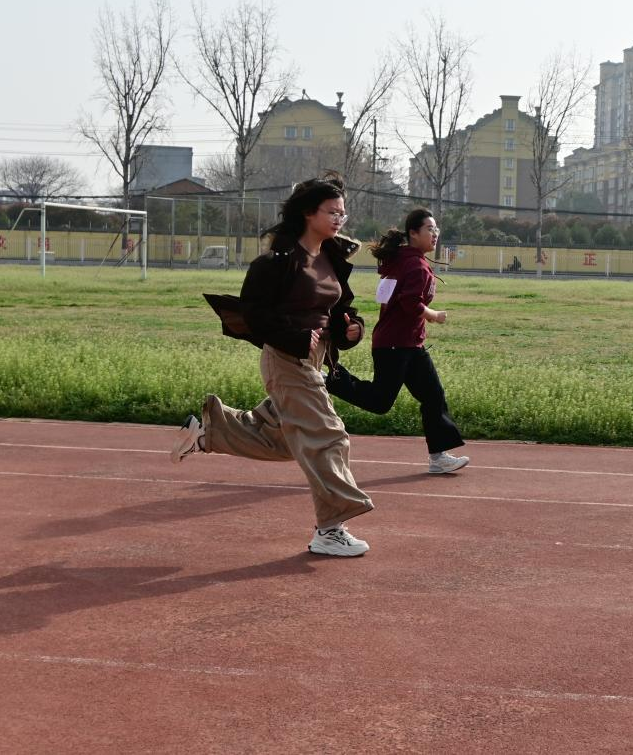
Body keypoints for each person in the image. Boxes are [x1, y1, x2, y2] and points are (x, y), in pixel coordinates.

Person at [170, 176, 374, 557]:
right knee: (329, 437)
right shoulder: (278, 261)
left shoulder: (331, 257)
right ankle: (330, 529)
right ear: (308, 213)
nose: (339, 219)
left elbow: (339, 309)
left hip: (314, 359)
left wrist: (352, 329)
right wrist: (295, 338)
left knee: (282, 440)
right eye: (332, 212)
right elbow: (255, 314)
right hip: (286, 360)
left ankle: (209, 432)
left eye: (343, 213)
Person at [326, 208, 469, 474]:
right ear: (413, 233)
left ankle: (438, 457)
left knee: (433, 395)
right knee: (380, 402)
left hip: (409, 344)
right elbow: (410, 303)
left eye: (436, 229)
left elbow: (395, 299)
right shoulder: (414, 265)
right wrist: (434, 315)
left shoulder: (402, 260)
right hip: (395, 344)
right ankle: (331, 379)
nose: (435, 234)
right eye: (429, 229)